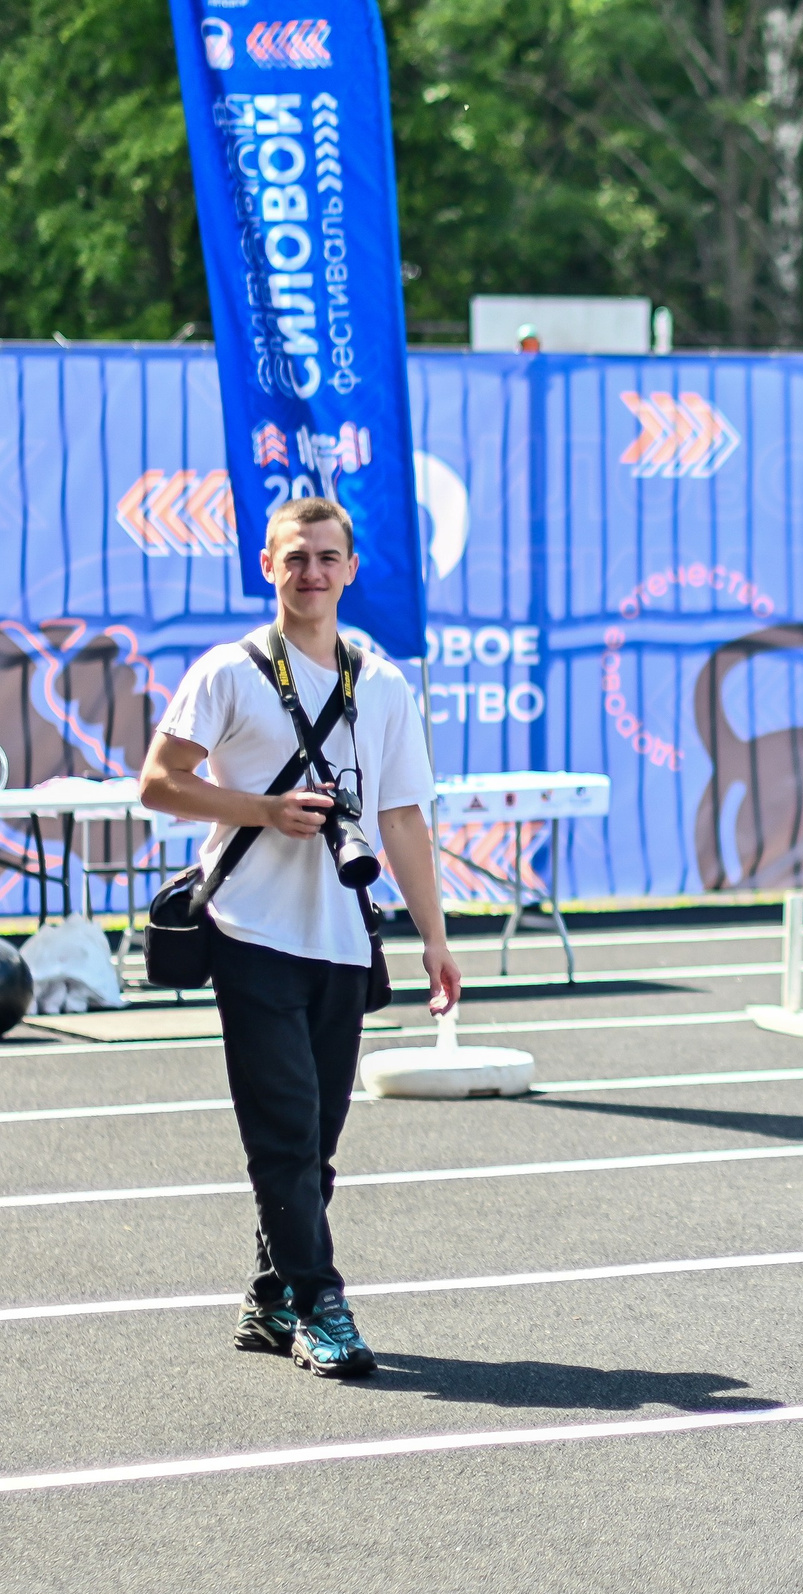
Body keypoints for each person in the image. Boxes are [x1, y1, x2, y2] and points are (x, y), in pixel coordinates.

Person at [140, 497, 461, 1379]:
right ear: (267, 567)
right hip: (249, 929)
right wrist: (263, 810)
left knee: (315, 1140)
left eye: (327, 558)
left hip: (343, 939)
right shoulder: (230, 672)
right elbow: (158, 783)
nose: (311, 573)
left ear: (351, 569)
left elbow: (401, 817)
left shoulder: (383, 682)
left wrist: (435, 939)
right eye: (294, 559)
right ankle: (323, 1302)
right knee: (282, 1130)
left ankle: (270, 1295)